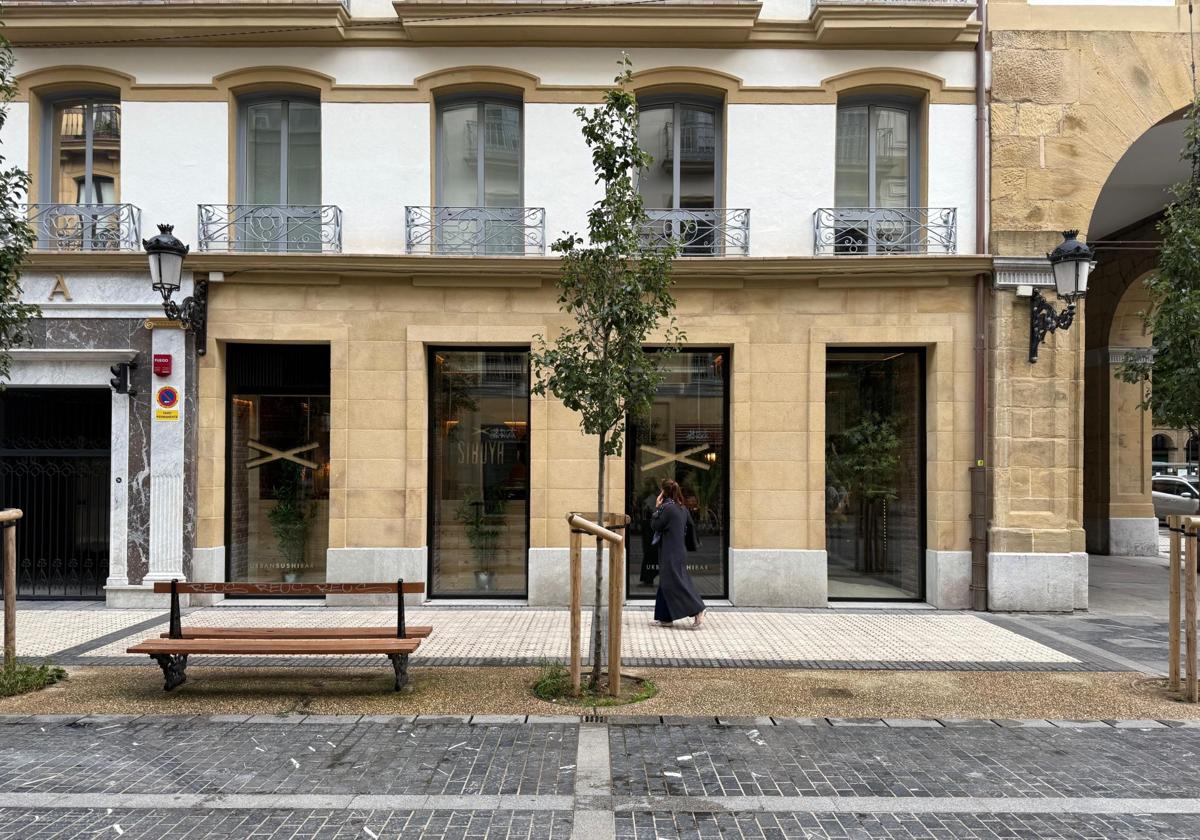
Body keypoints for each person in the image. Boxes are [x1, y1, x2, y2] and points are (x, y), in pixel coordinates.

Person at [649, 478, 707, 629]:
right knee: (666, 583)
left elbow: (655, 525)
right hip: (678, 550)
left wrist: (656, 508)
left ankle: (698, 609)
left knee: (675, 583)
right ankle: (665, 617)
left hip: (670, 552)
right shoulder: (682, 508)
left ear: (663, 492)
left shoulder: (667, 508)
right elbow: (690, 526)